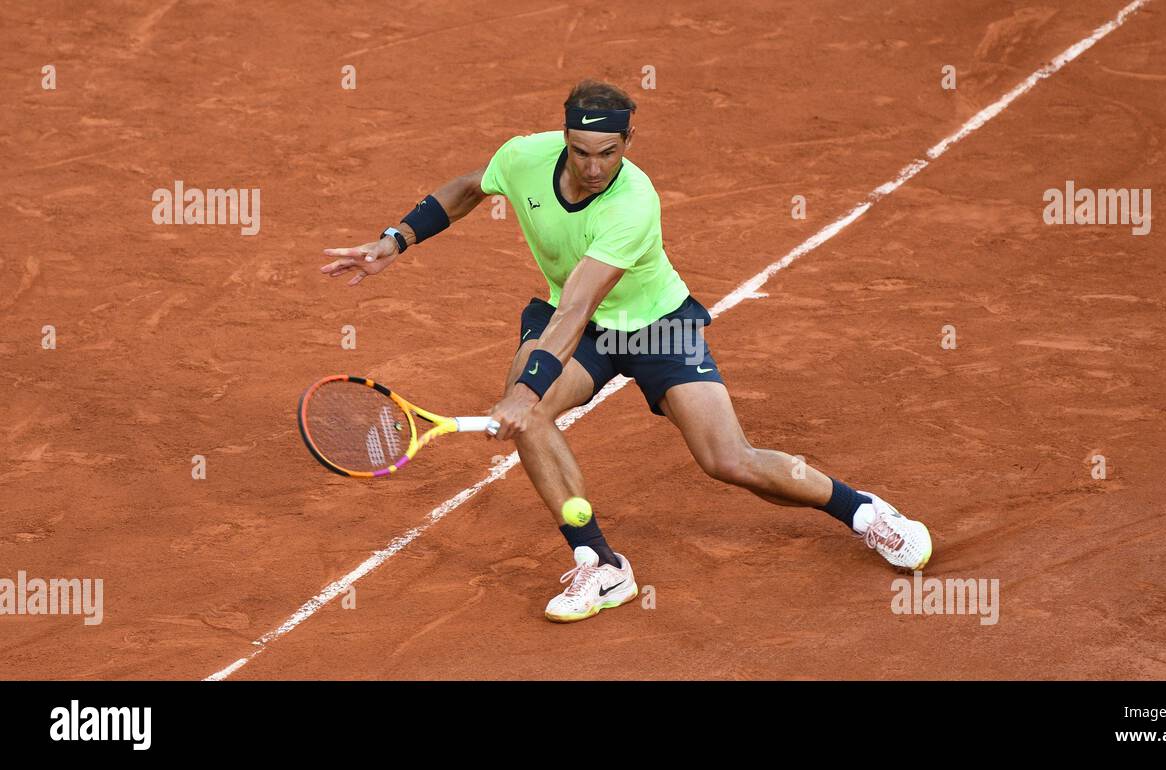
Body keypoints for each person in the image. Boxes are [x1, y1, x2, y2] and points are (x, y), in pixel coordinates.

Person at [320, 79, 932, 623]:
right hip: (579, 326)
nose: (594, 167)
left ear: (628, 141)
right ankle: (599, 561)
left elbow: (579, 307)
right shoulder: (523, 156)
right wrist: (395, 239)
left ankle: (863, 512)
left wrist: (523, 391)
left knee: (727, 461)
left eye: (608, 152)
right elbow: (468, 189)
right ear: (563, 137)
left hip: (654, 326)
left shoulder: (634, 203)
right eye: (582, 152)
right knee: (533, 417)